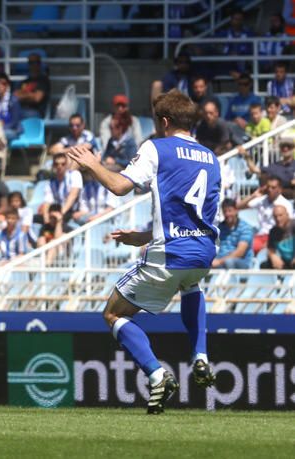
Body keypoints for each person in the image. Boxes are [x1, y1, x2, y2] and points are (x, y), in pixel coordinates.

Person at [68, 90, 221, 414]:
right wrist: (143, 236)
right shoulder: (211, 157)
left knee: (113, 313)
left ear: (163, 121)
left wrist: (94, 164)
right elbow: (194, 215)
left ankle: (156, 375)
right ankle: (202, 356)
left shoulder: (156, 147)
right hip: (204, 251)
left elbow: (121, 187)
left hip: (171, 253)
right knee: (190, 284)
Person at [237, 176, 294, 254]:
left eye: (273, 187)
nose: (270, 189)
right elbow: (238, 207)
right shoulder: (262, 200)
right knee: (241, 249)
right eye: (268, 187)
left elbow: (288, 227)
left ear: (280, 189)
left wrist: (270, 243)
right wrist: (253, 195)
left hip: (277, 238)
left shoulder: (285, 204)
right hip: (260, 236)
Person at [40, 153, 82, 223]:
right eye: (56, 164)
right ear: (53, 165)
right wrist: (46, 216)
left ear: (67, 165)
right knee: (35, 218)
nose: (59, 166)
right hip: (58, 211)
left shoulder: (74, 175)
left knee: (58, 221)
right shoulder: (51, 183)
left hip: (72, 211)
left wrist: (60, 213)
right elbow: (47, 201)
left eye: (63, 164)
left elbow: (73, 196)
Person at [213, 198, 255, 269]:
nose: (227, 214)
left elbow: (240, 252)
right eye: (225, 211)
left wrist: (219, 261)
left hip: (241, 262)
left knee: (229, 262)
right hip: (220, 261)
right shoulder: (219, 228)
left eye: (230, 211)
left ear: (236, 211)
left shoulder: (245, 228)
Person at [13, 53, 50, 118]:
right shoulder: (24, 81)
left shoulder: (43, 80)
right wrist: (31, 95)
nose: (34, 65)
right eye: (31, 62)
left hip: (35, 112)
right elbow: (15, 96)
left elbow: (37, 98)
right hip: (21, 110)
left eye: (36, 62)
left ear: (40, 64)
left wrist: (23, 95)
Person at [0, 72, 22, 141]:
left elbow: (14, 122)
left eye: (4, 83)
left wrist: (0, 127)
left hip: (12, 130)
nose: (0, 86)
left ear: (7, 85)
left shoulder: (13, 100)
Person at [263, 205, 295, 269]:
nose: (278, 219)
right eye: (275, 216)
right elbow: (271, 250)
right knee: (264, 265)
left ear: (287, 215)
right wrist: (273, 256)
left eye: (280, 215)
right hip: (285, 262)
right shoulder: (273, 231)